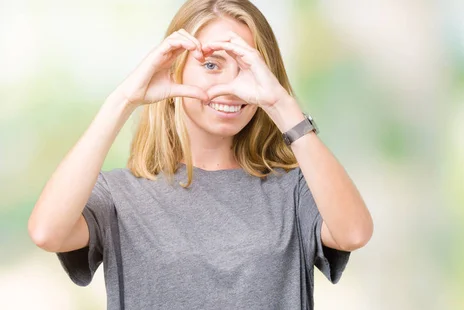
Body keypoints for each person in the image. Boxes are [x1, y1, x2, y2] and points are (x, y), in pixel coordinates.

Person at [27, 0, 373, 309]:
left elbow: (353, 233)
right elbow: (47, 232)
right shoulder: (119, 196)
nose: (230, 85)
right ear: (173, 70)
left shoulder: (296, 189)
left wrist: (280, 105)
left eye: (247, 67)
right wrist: (123, 101)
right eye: (211, 65)